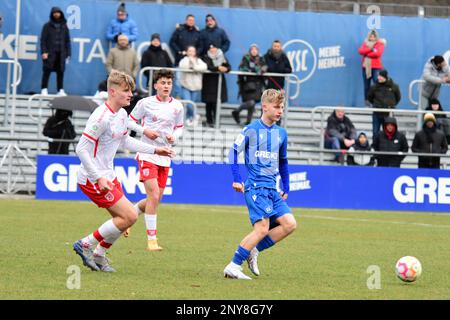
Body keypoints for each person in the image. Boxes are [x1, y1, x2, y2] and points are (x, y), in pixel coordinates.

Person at [72, 70, 174, 272]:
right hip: (93, 178)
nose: (130, 95)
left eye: (131, 91)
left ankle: (99, 256)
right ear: (112, 91)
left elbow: (125, 140)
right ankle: (85, 244)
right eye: (126, 91)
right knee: (129, 216)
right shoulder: (101, 118)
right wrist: (98, 177)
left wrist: (156, 149)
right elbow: (81, 148)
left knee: (124, 221)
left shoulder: (120, 114)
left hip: (108, 175)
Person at [224, 89, 297, 280]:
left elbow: (283, 162)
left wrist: (286, 186)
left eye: (282, 107)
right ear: (265, 107)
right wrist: (236, 178)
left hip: (272, 189)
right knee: (262, 229)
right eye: (276, 107)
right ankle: (233, 266)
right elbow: (232, 152)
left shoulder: (281, 133)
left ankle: (254, 250)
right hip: (255, 187)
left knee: (289, 224)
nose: (280, 111)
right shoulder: (251, 129)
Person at [126, 69, 184, 251]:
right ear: (155, 85)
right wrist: (145, 131)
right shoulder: (145, 103)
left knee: (156, 198)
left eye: (169, 83)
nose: (166, 86)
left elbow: (180, 127)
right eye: (163, 83)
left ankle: (128, 216)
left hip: (165, 155)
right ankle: (152, 240)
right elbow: (129, 121)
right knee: (153, 195)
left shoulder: (178, 106)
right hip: (147, 153)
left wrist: (175, 136)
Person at [232, 44, 267, 126]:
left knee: (253, 104)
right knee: (251, 103)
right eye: (252, 49)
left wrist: (261, 70)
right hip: (248, 85)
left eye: (256, 50)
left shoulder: (261, 58)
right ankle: (236, 111)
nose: (254, 51)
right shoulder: (246, 58)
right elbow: (242, 68)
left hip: (258, 85)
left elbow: (265, 67)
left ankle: (248, 122)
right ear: (250, 50)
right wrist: (252, 70)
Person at [40, 7, 71, 96]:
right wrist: (44, 52)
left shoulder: (64, 26)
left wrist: (68, 54)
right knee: (47, 71)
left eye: (58, 12)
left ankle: (60, 90)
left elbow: (67, 41)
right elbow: (43, 40)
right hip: (49, 54)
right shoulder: (47, 26)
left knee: (60, 72)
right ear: (52, 14)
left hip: (61, 54)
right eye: (54, 12)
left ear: (61, 14)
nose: (56, 14)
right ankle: (44, 89)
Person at [201, 44, 231, 127]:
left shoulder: (222, 56)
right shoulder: (206, 56)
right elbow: (208, 66)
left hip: (219, 83)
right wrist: (218, 68)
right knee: (209, 103)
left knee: (216, 103)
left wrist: (226, 69)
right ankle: (209, 121)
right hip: (208, 83)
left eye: (214, 48)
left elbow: (228, 67)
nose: (213, 49)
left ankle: (216, 121)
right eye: (211, 48)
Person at [367, 69, 401, 137]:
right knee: (375, 132)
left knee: (388, 132)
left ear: (385, 77)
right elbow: (369, 97)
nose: (378, 77)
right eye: (378, 76)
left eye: (380, 76)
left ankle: (388, 147)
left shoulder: (394, 86)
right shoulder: (374, 87)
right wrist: (376, 105)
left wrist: (391, 105)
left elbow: (398, 97)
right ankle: (375, 146)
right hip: (377, 112)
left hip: (388, 113)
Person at [179, 46, 207, 126]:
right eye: (189, 51)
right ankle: (195, 116)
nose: (191, 53)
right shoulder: (184, 60)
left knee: (192, 103)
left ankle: (189, 119)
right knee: (189, 103)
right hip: (186, 85)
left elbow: (204, 67)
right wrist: (189, 60)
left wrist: (194, 65)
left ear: (195, 52)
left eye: (193, 51)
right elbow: (183, 67)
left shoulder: (199, 60)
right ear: (187, 52)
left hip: (196, 86)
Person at [358, 29, 385, 104]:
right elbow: (360, 51)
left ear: (376, 37)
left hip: (376, 68)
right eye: (371, 36)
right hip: (366, 67)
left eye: (374, 36)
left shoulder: (380, 44)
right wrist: (371, 49)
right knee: (366, 85)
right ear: (369, 36)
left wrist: (367, 54)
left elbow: (378, 54)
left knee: (377, 85)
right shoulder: (365, 43)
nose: (372, 38)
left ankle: (378, 101)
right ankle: (367, 101)